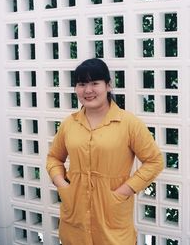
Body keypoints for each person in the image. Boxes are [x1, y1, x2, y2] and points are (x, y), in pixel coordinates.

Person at [46, 58, 164, 245]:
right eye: (82, 84)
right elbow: (54, 157)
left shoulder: (128, 123)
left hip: (113, 220)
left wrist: (124, 191)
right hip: (74, 218)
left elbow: (155, 161)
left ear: (108, 85)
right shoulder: (69, 124)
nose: (88, 90)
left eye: (95, 83)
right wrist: (61, 184)